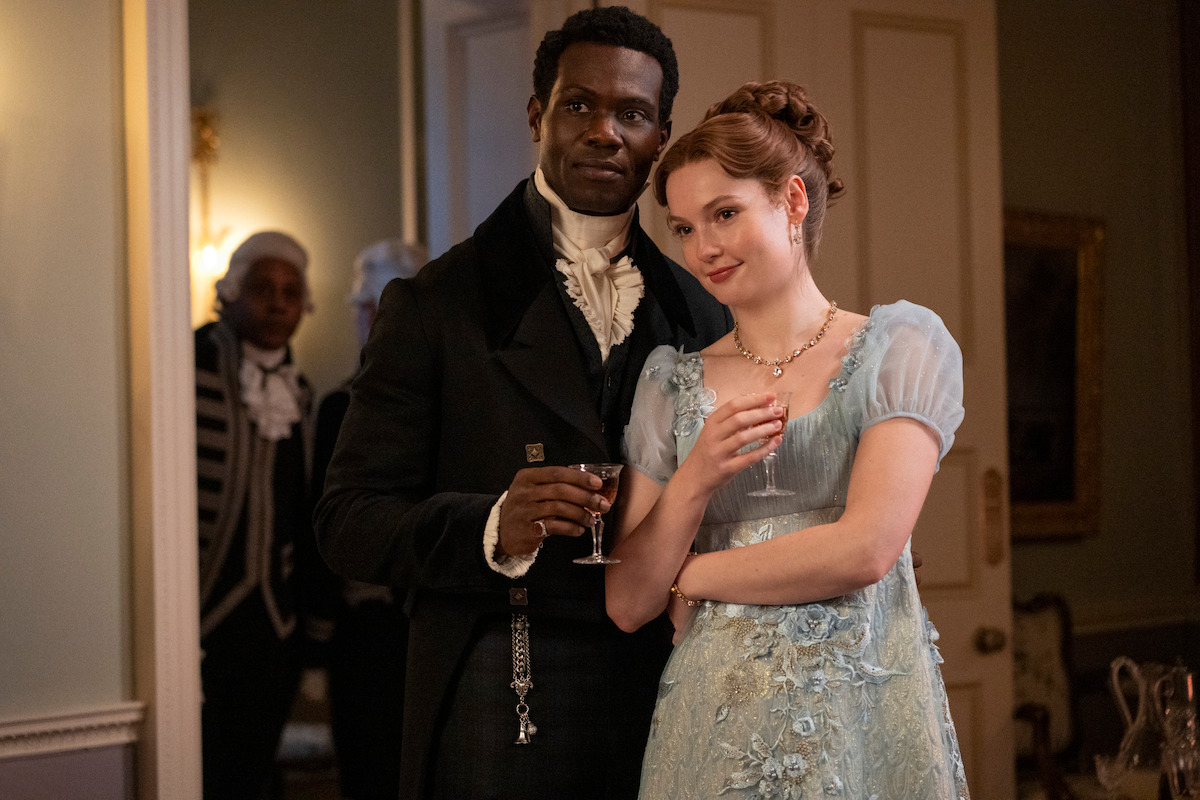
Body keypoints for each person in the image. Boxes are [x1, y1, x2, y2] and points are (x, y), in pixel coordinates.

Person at [313, 6, 732, 798]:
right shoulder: (435, 304)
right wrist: (491, 523)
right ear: (538, 115)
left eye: (633, 113)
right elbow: (349, 520)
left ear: (660, 136)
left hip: (670, 677)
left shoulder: (700, 310)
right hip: (504, 671)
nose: (606, 130)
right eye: (581, 104)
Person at [605, 81, 970, 798]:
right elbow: (626, 602)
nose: (702, 247)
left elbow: (866, 549)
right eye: (683, 227)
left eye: (725, 214)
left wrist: (692, 577)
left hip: (863, 716)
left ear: (793, 202)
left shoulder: (897, 348)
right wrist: (695, 478)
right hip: (712, 721)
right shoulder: (670, 384)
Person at [195, 230, 328, 798]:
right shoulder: (187, 367)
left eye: (290, 291)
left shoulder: (303, 394)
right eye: (262, 288)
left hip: (275, 624)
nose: (277, 302)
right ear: (229, 294)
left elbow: (307, 514)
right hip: (199, 617)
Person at [311, 238, 426, 800]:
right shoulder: (338, 405)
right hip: (360, 626)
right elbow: (321, 518)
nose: (368, 320)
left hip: (423, 614)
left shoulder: (445, 403)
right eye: (366, 309)